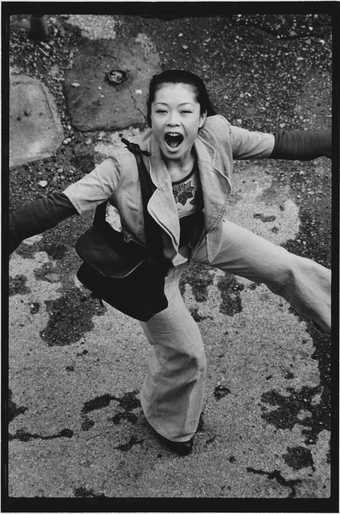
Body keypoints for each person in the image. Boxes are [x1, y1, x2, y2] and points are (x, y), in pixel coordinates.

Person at [9, 69, 331, 456]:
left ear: (201, 116)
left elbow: (284, 143)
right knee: (186, 354)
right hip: (151, 267)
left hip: (207, 237)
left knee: (291, 268)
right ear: (150, 118)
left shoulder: (219, 135)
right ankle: (171, 425)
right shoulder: (121, 168)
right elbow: (58, 205)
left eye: (184, 111)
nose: (173, 121)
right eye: (162, 111)